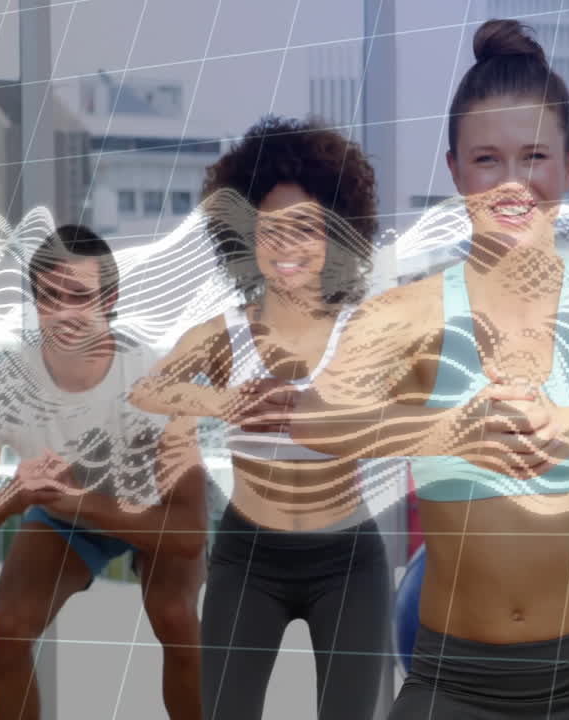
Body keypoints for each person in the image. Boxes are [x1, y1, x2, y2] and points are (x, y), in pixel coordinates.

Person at [271, 19, 569, 720]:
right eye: (487, 160)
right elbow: (317, 417)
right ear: (454, 169)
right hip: (455, 679)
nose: (512, 184)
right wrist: (449, 427)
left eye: (535, 157)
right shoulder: (405, 316)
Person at [128, 116, 393, 720]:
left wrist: (321, 411)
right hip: (249, 558)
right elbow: (148, 390)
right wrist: (227, 403)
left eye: (306, 228)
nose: (287, 247)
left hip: (348, 560)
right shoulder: (224, 335)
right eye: (269, 231)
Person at [0, 225, 208, 720]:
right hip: (64, 518)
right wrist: (14, 496)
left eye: (79, 297)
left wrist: (76, 498)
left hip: (154, 516)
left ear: (110, 299)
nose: (63, 314)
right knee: (8, 630)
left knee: (176, 618)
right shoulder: (0, 390)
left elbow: (188, 534)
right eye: (49, 297)